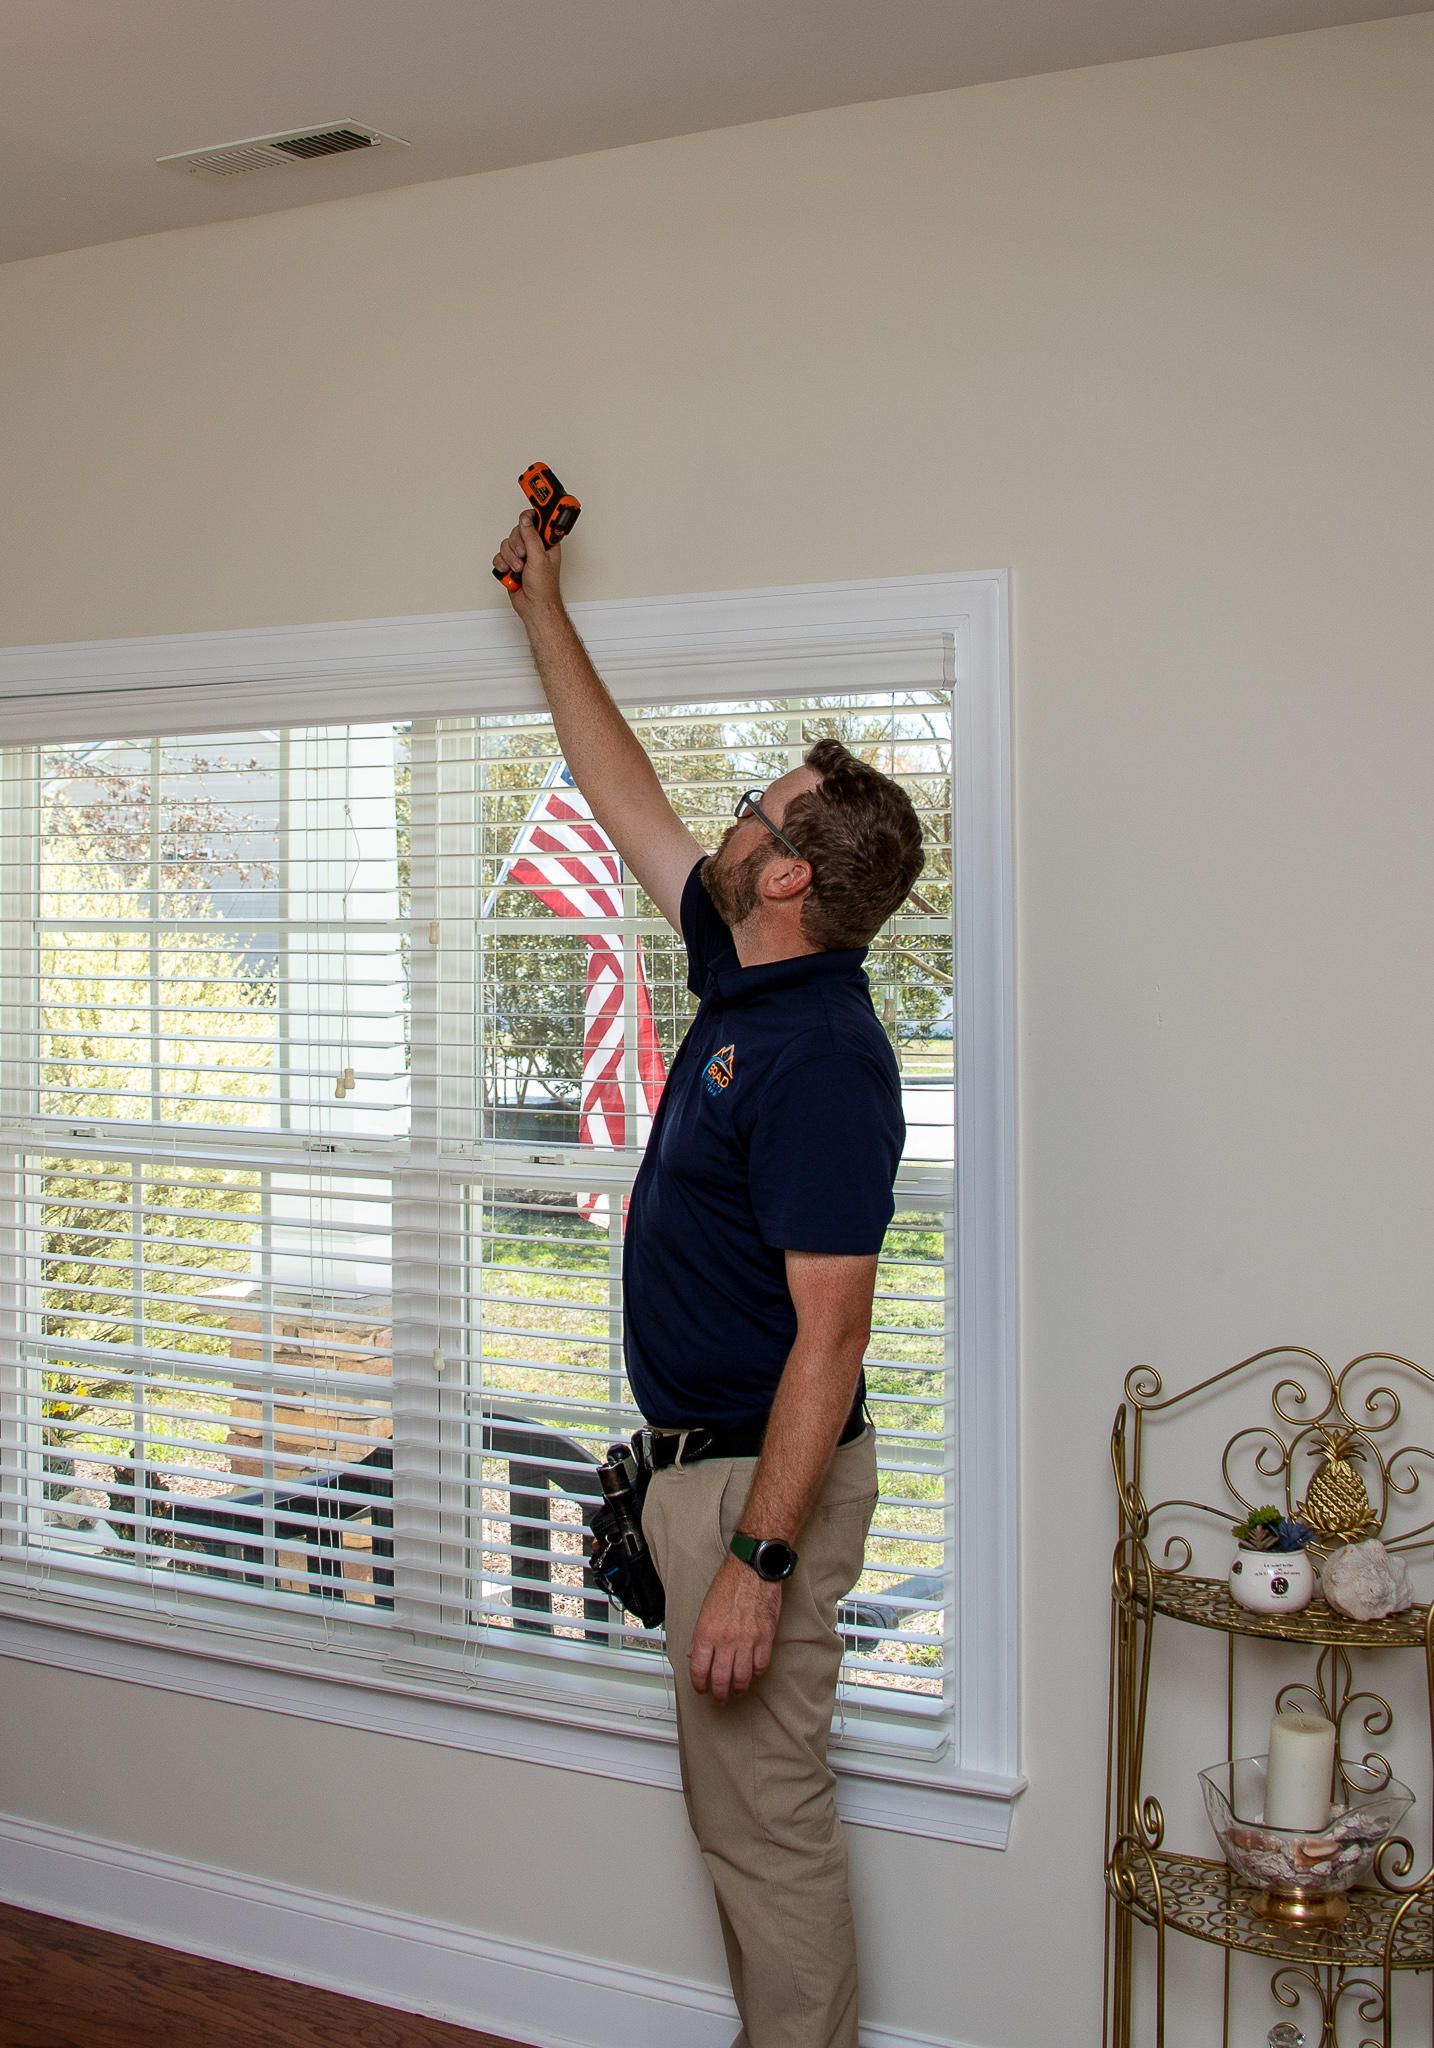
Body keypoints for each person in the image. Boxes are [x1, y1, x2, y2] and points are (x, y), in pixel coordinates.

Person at [492, 509, 925, 2048]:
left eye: (758, 805)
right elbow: (628, 802)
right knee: (739, 1824)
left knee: (766, 1826)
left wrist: (752, 1559)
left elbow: (834, 1335)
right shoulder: (753, 971)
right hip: (709, 1473)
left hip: (762, 1483)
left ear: (792, 868)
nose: (731, 816)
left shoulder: (819, 1060)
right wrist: (541, 605)